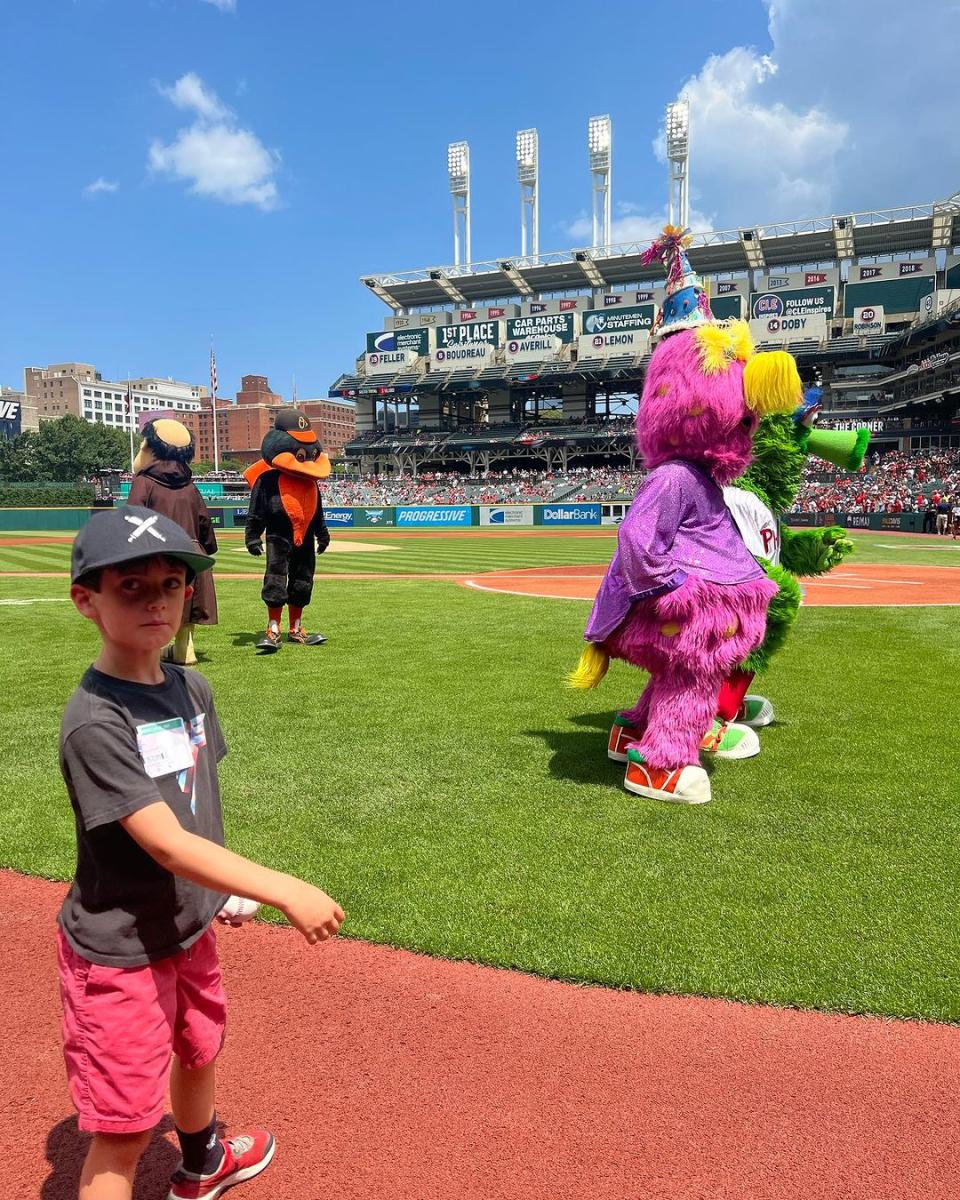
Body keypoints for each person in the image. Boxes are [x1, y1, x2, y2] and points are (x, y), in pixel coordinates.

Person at [59, 505, 344, 1200]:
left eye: (171, 583)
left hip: (187, 927)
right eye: (131, 586)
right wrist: (281, 887)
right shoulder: (96, 722)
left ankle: (203, 1158)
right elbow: (164, 842)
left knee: (199, 1047)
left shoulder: (191, 687)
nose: (156, 599)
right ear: (86, 601)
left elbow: (195, 806)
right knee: (123, 1131)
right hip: (121, 949)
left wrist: (221, 890)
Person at [127, 417, 218, 665]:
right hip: (189, 552)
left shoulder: (144, 483)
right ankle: (184, 649)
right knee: (185, 603)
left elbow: (132, 519)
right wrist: (206, 549)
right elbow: (204, 524)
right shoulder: (190, 486)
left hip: (157, 553)